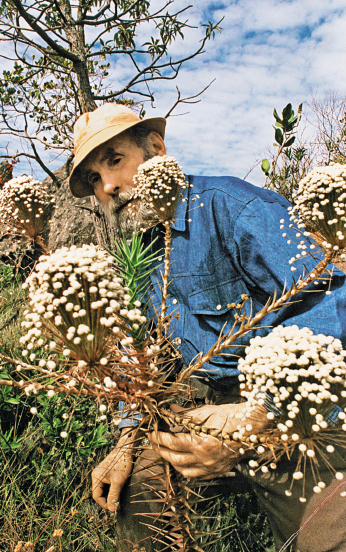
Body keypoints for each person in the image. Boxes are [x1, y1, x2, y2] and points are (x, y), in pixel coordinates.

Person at [69, 104, 346, 552]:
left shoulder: (234, 206)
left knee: (331, 533)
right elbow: (145, 353)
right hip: (198, 411)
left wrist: (260, 415)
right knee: (134, 499)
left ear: (157, 149)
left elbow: (333, 297)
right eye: (93, 181)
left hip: (289, 405)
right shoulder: (140, 251)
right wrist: (128, 435)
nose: (109, 187)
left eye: (115, 161)